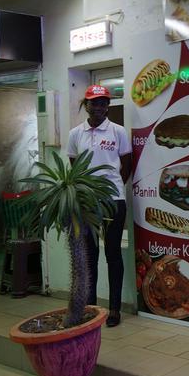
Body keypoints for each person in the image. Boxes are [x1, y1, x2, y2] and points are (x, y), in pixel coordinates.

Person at [67, 85, 131, 327]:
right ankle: (92, 308)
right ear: (87, 105)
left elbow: (126, 163)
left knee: (112, 254)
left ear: (108, 106)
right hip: (86, 202)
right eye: (95, 103)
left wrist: (111, 189)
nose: (99, 107)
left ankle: (114, 309)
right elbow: (74, 166)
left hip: (113, 201)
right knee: (89, 256)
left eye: (104, 103)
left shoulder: (118, 131)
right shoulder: (76, 134)